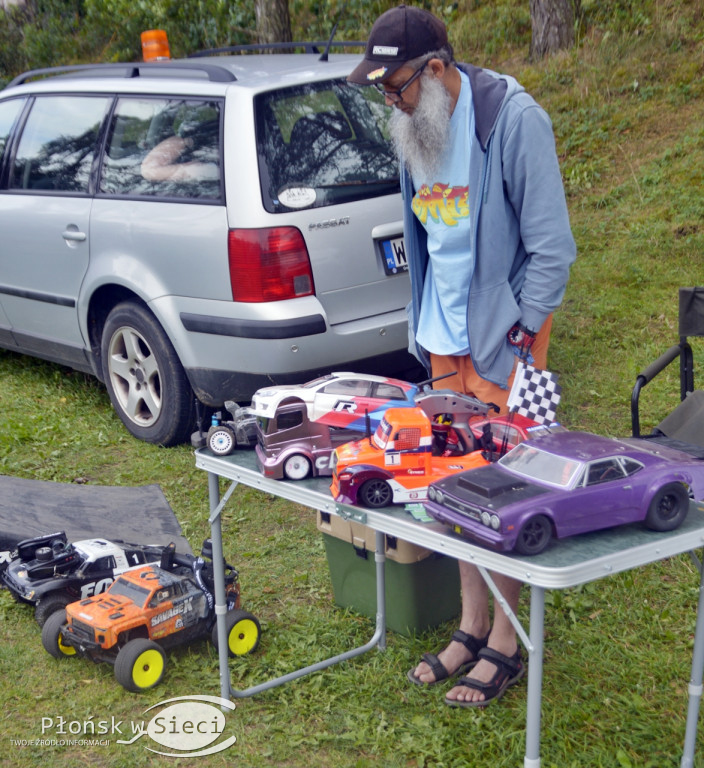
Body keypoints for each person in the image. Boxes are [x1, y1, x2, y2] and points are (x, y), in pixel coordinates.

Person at [348, 4, 576, 708]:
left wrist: (519, 337)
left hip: (503, 343)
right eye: (383, 91)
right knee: (452, 487)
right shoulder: (418, 129)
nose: (392, 101)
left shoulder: (512, 120)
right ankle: (471, 625)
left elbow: (552, 250)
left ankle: (506, 640)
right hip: (442, 341)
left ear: (438, 69)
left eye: (398, 88)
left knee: (503, 489)